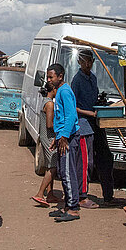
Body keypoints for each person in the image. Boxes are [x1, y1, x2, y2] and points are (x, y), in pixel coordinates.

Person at [70, 49, 114, 207]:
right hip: (83, 125)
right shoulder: (77, 80)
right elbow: (73, 107)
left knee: (106, 158)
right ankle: (82, 197)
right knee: (86, 163)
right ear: (79, 62)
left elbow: (95, 99)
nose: (87, 64)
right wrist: (89, 112)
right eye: (84, 61)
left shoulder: (93, 78)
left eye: (90, 61)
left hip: (96, 123)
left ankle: (108, 195)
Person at [46, 64, 80, 222]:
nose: (49, 80)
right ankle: (67, 205)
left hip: (69, 139)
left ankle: (73, 209)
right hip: (62, 138)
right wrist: (57, 137)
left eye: (51, 77)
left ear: (60, 76)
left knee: (67, 172)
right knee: (62, 171)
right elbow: (60, 118)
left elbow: (71, 115)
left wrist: (64, 137)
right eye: (48, 77)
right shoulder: (59, 92)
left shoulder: (65, 91)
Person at [31, 83, 58, 206]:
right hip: (49, 137)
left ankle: (50, 194)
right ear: (53, 89)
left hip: (44, 136)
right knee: (52, 166)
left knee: (49, 165)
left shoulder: (45, 101)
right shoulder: (50, 104)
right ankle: (40, 194)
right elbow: (49, 124)